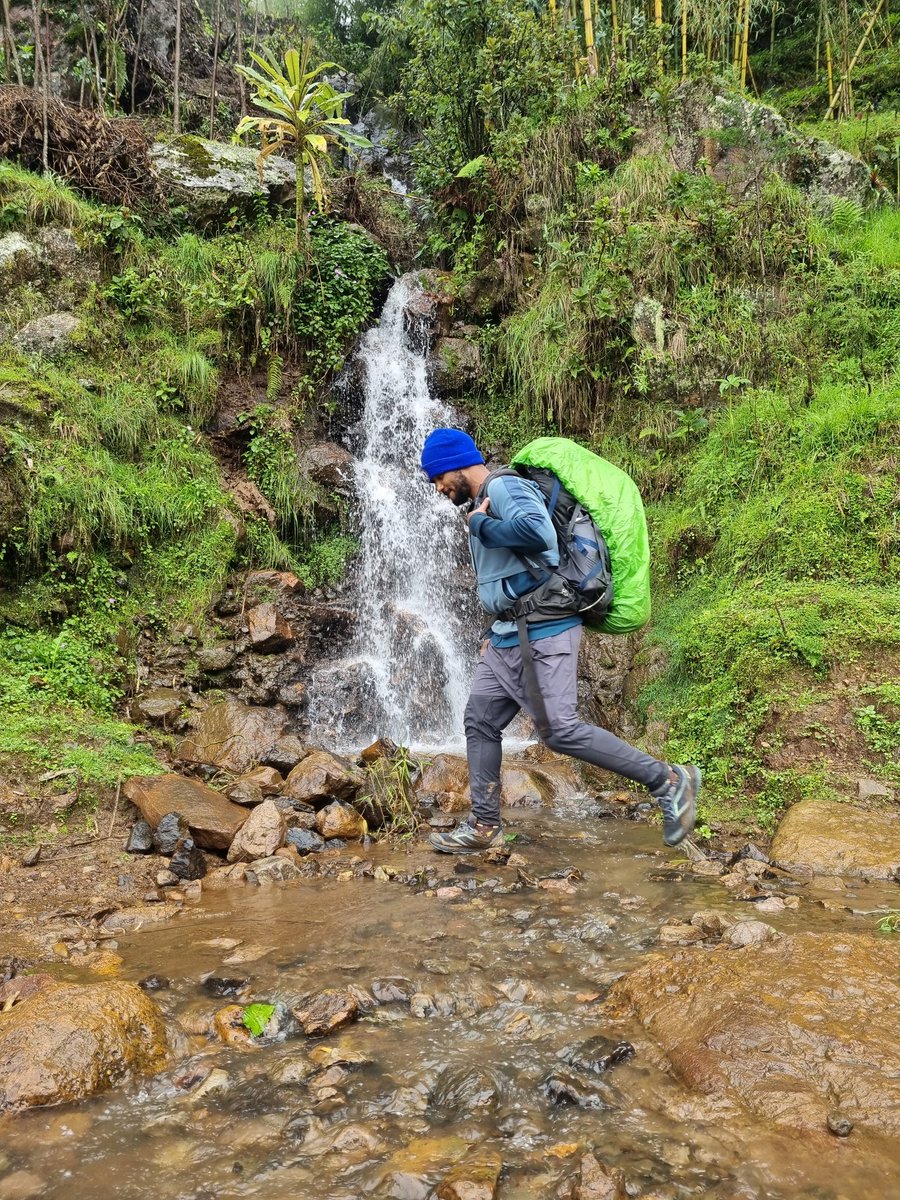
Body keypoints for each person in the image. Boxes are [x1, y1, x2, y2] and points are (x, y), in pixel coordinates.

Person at [419, 427, 700, 854]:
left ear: (453, 464)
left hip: (544, 628)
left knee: (561, 732)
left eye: (437, 477)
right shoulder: (483, 502)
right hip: (507, 633)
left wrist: (480, 526)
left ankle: (670, 780)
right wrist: (489, 629)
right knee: (480, 720)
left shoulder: (504, 486)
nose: (438, 488)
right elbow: (507, 576)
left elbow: (540, 537)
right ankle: (483, 825)